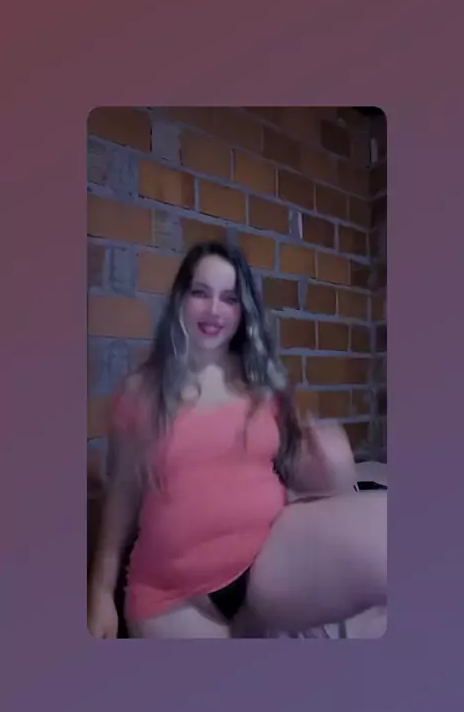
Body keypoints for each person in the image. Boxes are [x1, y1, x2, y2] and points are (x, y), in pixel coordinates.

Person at [88, 240, 387, 639]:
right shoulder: (140, 392)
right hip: (174, 597)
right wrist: (100, 594)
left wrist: (331, 467)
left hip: (267, 562)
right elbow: (121, 497)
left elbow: (295, 474)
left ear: (243, 310)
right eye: (201, 293)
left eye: (229, 298)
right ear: (180, 300)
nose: (215, 310)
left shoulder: (262, 383)